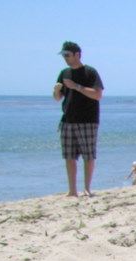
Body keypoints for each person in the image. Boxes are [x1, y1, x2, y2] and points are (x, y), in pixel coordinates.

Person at [52, 41, 104, 197]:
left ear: (77, 54)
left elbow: (97, 94)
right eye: (64, 55)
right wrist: (56, 90)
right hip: (68, 120)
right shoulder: (64, 73)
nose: (65, 58)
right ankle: (72, 190)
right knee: (69, 156)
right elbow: (58, 98)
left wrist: (77, 86)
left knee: (88, 156)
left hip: (87, 120)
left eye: (67, 55)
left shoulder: (90, 72)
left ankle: (87, 188)